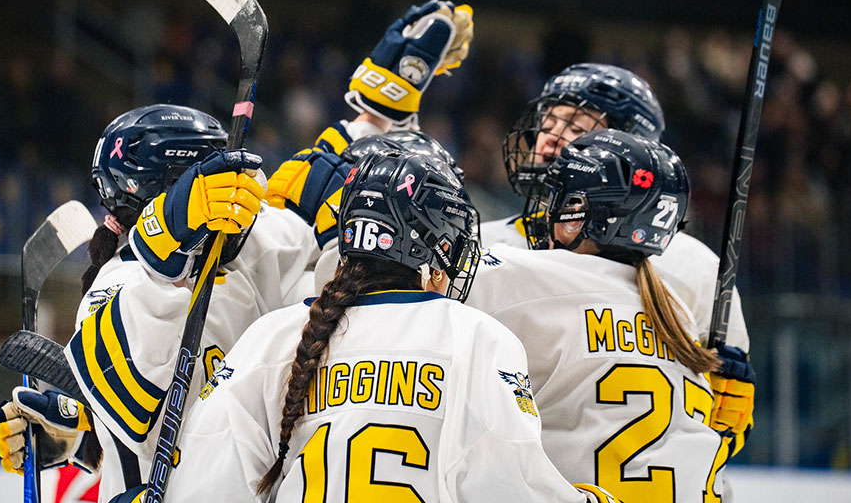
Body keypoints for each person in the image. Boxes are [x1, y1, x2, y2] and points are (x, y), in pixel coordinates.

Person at [115, 149, 620, 502]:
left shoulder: (271, 337)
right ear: (436, 247)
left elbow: (209, 487)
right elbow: (507, 483)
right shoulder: (476, 337)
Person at [0, 104, 318, 502]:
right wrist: (89, 432)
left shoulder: (243, 262)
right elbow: (138, 414)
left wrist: (80, 435)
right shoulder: (116, 284)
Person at [468, 129, 749, 503]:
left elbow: (412, 286)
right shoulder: (674, 310)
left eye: (561, 198)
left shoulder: (521, 276)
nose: (548, 209)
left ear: (579, 217)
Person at [488, 63, 754, 450]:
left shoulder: (691, 266)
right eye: (548, 122)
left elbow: (729, 416)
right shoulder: (484, 240)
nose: (548, 139)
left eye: (575, 128)